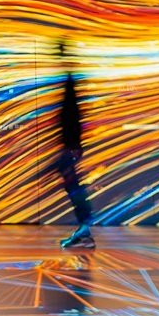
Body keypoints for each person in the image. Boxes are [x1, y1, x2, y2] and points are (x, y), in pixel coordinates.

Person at [53, 39, 95, 249]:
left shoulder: (70, 89)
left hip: (70, 145)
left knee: (72, 184)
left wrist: (73, 145)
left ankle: (85, 228)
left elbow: (72, 116)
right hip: (70, 144)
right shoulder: (70, 89)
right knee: (71, 184)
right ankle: (84, 229)